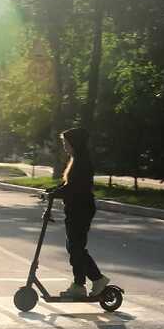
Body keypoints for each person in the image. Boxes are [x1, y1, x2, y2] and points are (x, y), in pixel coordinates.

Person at [48, 127, 110, 298]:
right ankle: (88, 282)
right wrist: (53, 190)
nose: (64, 146)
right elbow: (68, 184)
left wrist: (56, 194)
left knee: (76, 247)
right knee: (74, 247)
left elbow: (75, 187)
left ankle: (85, 283)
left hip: (81, 209)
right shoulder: (77, 160)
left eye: (66, 143)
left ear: (75, 143)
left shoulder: (82, 163)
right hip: (77, 208)